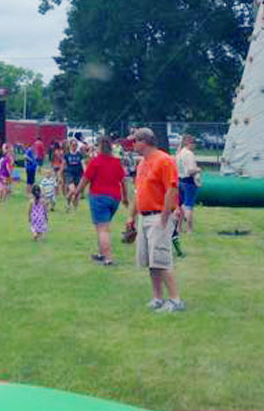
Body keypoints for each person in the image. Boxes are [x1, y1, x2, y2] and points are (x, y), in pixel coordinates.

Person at [128, 127, 186, 313]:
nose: (132, 144)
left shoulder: (164, 160)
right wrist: (131, 216)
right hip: (144, 217)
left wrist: (165, 215)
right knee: (151, 261)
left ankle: (176, 300)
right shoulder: (142, 163)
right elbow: (138, 192)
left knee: (162, 259)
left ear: (144, 141)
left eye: (135, 140)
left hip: (158, 216)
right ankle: (157, 297)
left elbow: (172, 188)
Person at [76, 136, 129, 265]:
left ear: (99, 147)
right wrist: (125, 198)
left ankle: (108, 258)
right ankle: (101, 253)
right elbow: (123, 181)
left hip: (99, 197)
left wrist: (76, 192)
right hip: (115, 198)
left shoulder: (95, 161)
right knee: (103, 226)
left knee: (102, 229)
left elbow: (85, 179)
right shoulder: (116, 162)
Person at [175, 135, 202, 234]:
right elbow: (191, 170)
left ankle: (178, 227)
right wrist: (198, 169)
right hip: (189, 181)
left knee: (181, 205)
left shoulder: (179, 153)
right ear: (189, 143)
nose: (195, 146)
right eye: (194, 143)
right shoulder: (189, 154)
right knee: (188, 205)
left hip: (180, 181)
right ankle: (189, 228)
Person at [63, 139, 85, 210]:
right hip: (69, 174)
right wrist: (59, 175)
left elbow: (83, 164)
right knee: (72, 190)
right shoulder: (67, 155)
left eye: (75, 145)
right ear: (70, 146)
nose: (74, 147)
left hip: (78, 174)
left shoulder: (79, 155)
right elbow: (63, 165)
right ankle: (67, 200)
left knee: (77, 192)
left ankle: (74, 207)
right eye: (73, 145)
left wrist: (86, 172)